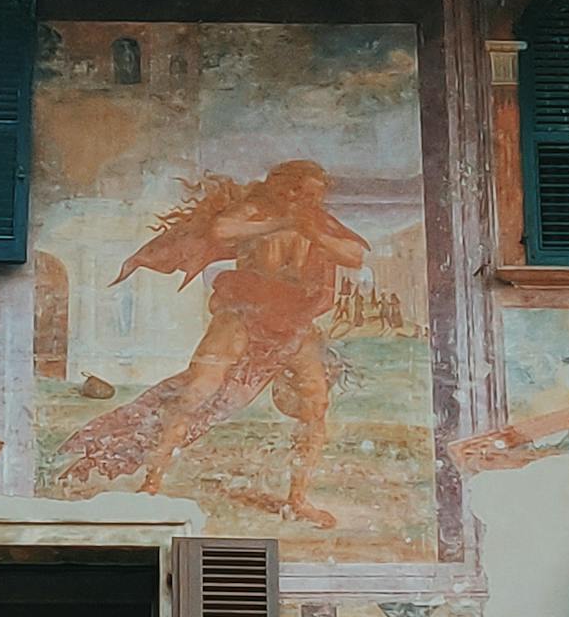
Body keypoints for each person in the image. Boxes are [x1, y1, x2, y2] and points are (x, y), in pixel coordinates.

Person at [56, 160, 368, 528]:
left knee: (315, 406)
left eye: (316, 194)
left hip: (294, 324)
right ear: (281, 186)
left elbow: (354, 254)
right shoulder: (255, 210)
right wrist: (282, 223)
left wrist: (310, 230)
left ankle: (297, 499)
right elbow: (222, 229)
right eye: (301, 191)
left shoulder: (315, 222)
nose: (307, 199)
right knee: (194, 393)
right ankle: (151, 484)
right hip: (243, 316)